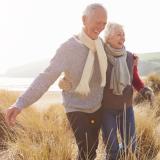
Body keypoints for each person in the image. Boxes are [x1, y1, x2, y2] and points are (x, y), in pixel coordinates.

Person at [5, 3, 108, 160]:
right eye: (97, 22)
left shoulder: (101, 45)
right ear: (84, 19)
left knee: (91, 151)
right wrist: (20, 103)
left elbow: (117, 57)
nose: (100, 27)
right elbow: (46, 77)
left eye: (104, 23)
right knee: (87, 150)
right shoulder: (68, 48)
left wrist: (132, 62)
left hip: (97, 106)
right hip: (76, 107)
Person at [58, 22, 154, 160]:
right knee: (112, 149)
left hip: (127, 109)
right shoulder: (100, 57)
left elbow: (135, 79)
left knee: (131, 145)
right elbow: (85, 71)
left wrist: (144, 90)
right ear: (108, 38)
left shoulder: (130, 57)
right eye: (118, 34)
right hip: (106, 110)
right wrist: (67, 80)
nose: (123, 38)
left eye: (124, 35)